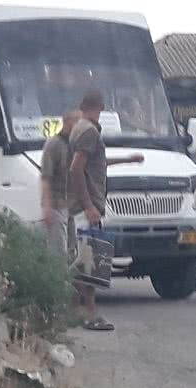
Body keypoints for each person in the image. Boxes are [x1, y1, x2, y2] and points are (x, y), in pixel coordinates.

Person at [68, 90, 144, 330]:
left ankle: (75, 312)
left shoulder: (78, 129)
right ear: (100, 107)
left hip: (81, 205)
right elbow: (76, 168)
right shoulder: (89, 131)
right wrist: (89, 205)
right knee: (90, 264)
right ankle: (90, 314)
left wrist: (127, 160)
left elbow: (94, 162)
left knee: (82, 261)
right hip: (87, 206)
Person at [40, 109, 81, 257]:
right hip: (57, 206)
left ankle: (69, 279)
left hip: (71, 207)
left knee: (72, 252)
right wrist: (47, 207)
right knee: (58, 251)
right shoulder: (53, 145)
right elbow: (46, 178)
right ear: (68, 123)